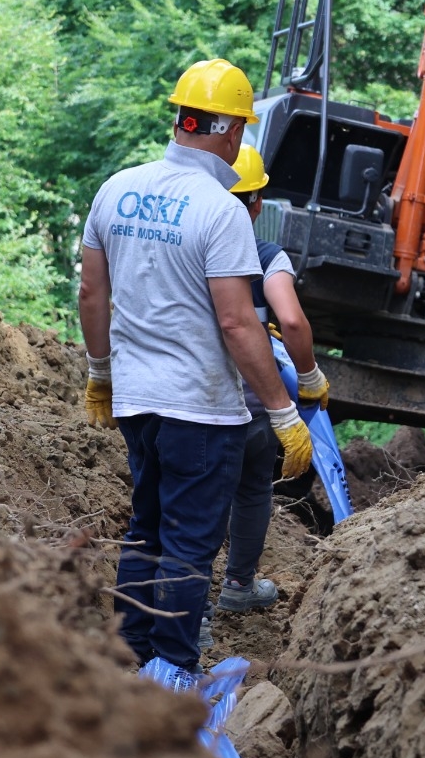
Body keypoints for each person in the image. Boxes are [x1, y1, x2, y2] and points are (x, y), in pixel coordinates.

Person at [76, 60, 314, 689]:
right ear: (232, 131)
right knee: (186, 545)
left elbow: (92, 297)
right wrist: (285, 416)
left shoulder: (116, 189)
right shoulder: (222, 210)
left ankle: (126, 656)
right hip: (201, 413)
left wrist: (101, 374)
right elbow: (239, 326)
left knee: (145, 529)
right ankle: (173, 672)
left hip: (135, 401)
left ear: (180, 119)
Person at [216, 144, 331, 614]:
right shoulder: (266, 256)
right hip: (256, 405)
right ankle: (239, 585)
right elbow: (295, 323)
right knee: (252, 490)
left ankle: (191, 614)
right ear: (257, 202)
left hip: (194, 400)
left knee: (195, 502)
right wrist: (309, 377)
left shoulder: (193, 249)